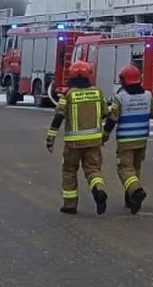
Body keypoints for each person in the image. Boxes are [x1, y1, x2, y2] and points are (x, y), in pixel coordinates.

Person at [102, 64, 153, 214]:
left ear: (125, 81)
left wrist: (105, 136)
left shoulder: (120, 98)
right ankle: (131, 199)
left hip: (126, 141)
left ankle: (136, 191)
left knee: (124, 169)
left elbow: (112, 119)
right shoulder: (148, 96)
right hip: (141, 140)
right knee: (135, 169)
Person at [45, 60, 108, 215]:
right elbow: (106, 113)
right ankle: (98, 190)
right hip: (94, 141)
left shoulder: (68, 95)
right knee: (93, 170)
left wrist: (50, 138)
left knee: (69, 170)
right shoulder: (97, 93)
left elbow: (58, 117)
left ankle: (70, 205)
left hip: (73, 143)